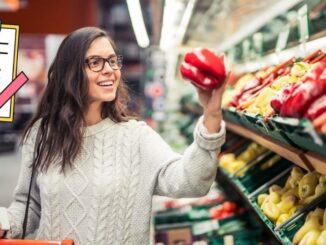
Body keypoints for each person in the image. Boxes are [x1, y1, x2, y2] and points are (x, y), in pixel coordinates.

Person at [0, 27, 226, 245]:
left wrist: (212, 114)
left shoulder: (136, 137)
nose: (109, 69)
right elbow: (30, 206)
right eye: (95, 62)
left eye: (112, 60)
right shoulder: (42, 134)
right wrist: (6, 223)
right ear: (70, 72)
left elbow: (191, 182)